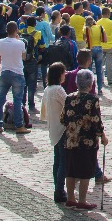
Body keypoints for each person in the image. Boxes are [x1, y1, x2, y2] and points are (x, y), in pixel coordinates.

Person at [61, 69, 107, 210]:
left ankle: (70, 199)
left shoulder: (69, 98)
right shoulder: (92, 100)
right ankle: (82, 200)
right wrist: (103, 136)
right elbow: (96, 121)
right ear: (90, 83)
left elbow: (63, 119)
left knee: (71, 170)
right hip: (87, 141)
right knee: (85, 171)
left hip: (71, 139)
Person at [0, 22, 29, 135]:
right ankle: (19, 125)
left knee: (1, 98)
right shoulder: (20, 43)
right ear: (16, 30)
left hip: (5, 71)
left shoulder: (1, 42)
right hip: (17, 72)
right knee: (18, 100)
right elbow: (23, 57)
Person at [42, 62, 68, 203]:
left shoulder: (48, 89)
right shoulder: (58, 89)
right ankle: (59, 190)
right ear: (59, 75)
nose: (65, 75)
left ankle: (57, 188)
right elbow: (68, 103)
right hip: (61, 128)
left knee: (57, 160)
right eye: (64, 73)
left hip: (53, 127)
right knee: (63, 161)